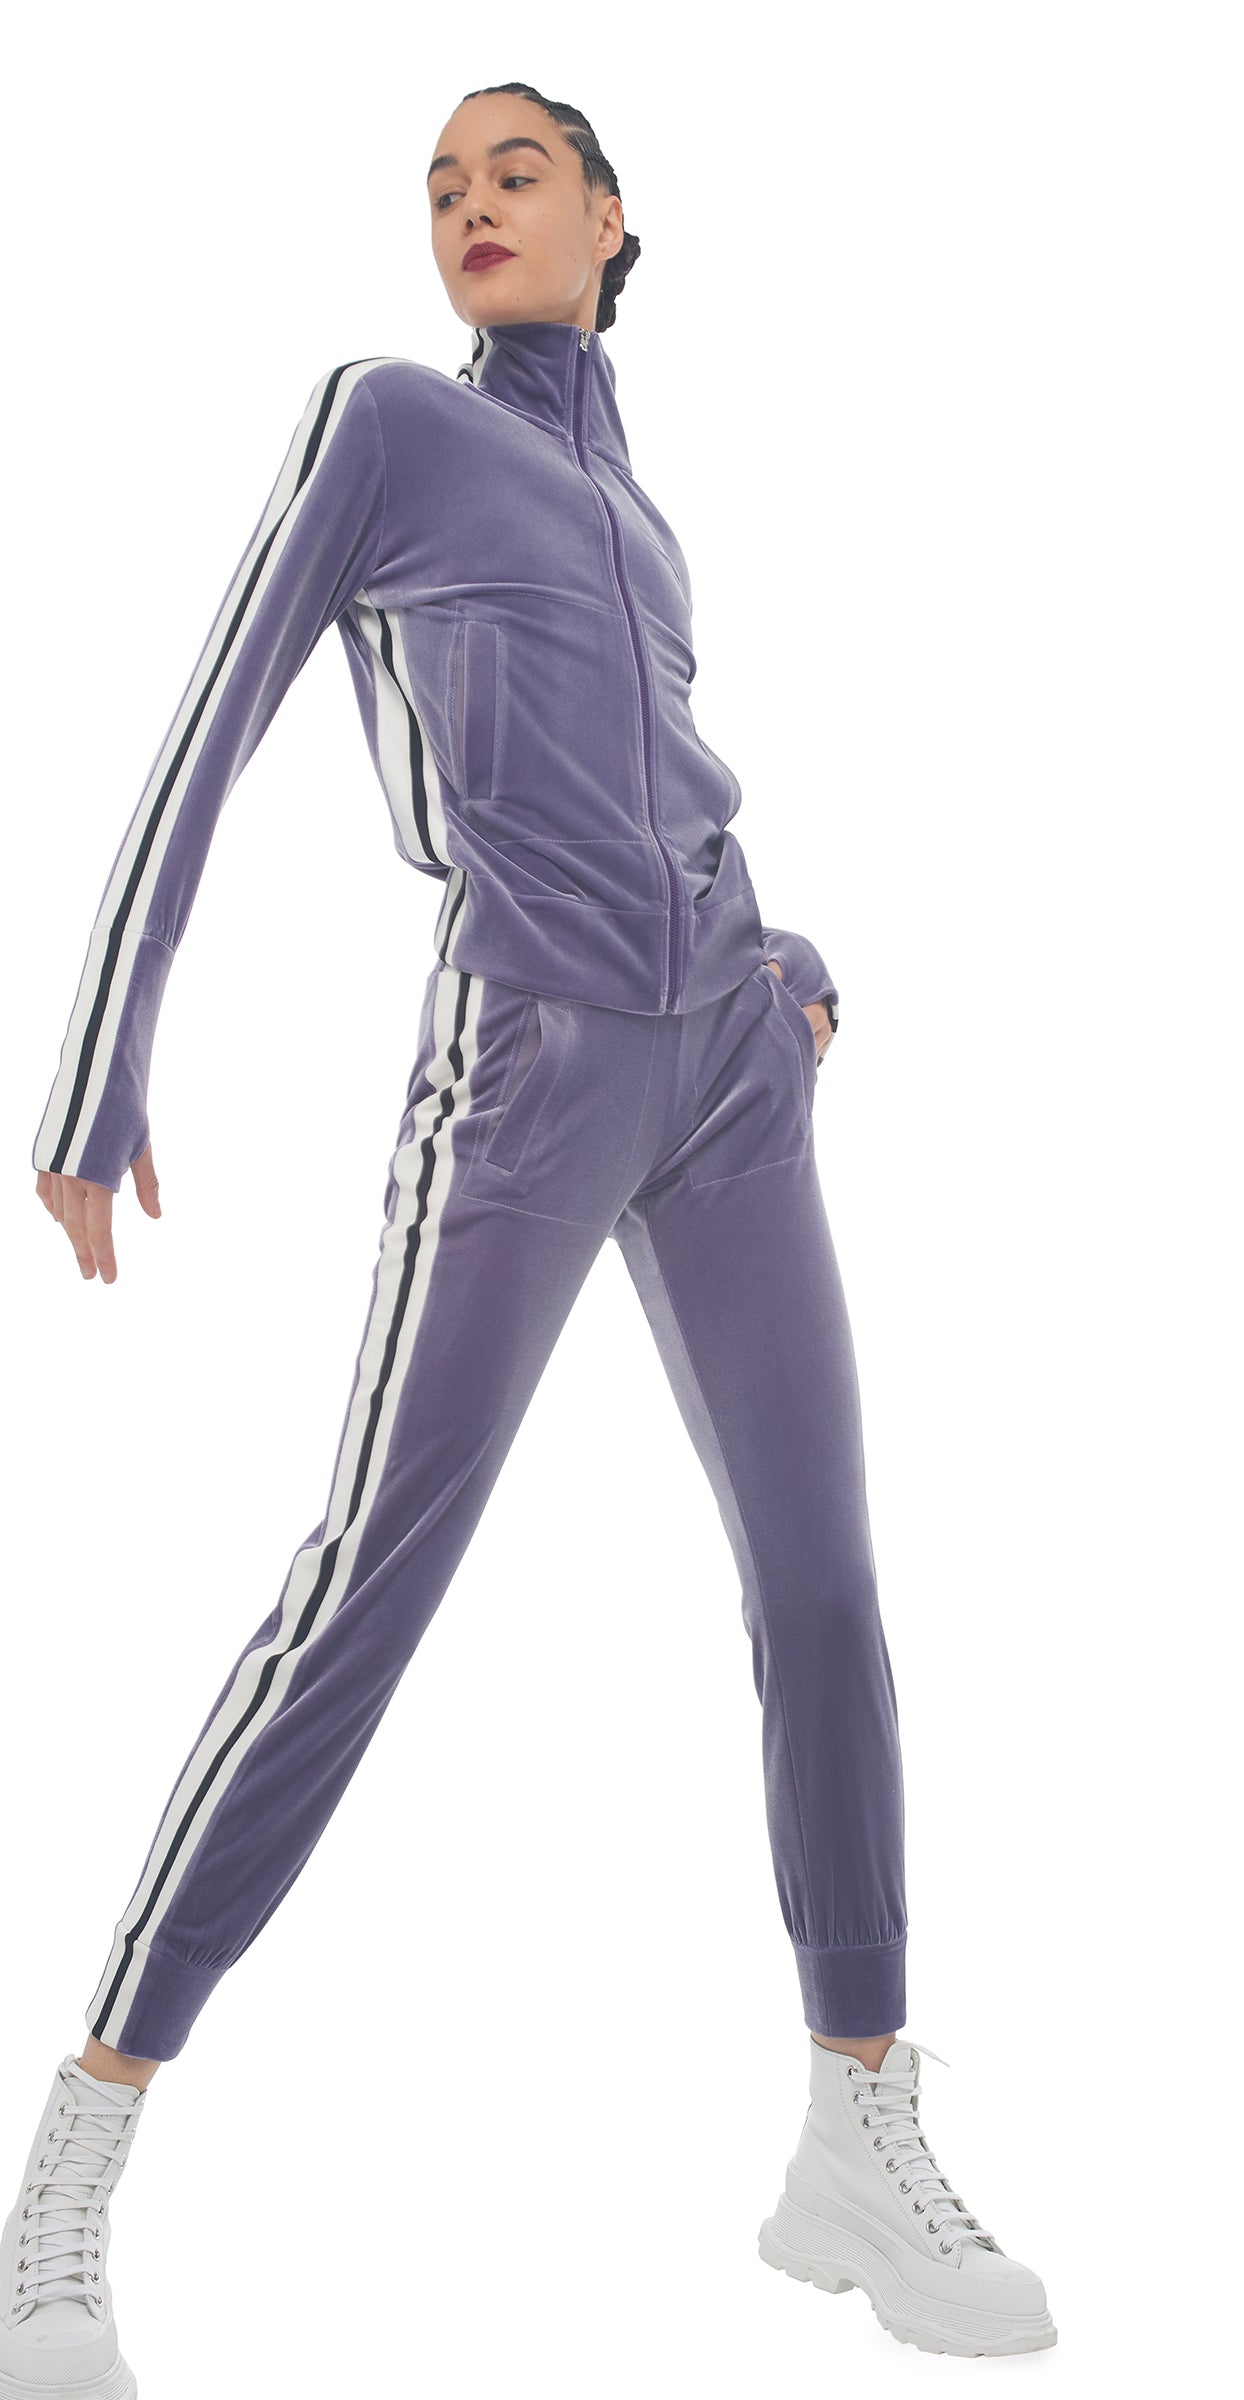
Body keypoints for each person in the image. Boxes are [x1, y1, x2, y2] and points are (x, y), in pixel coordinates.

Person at [3, 81, 1056, 2381]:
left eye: (513, 173)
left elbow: (659, 777)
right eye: (440, 186)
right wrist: (103, 1061)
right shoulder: (390, 423)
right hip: (533, 1071)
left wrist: (779, 961)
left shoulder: (637, 507)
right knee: (364, 1594)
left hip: (731, 1070)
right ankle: (76, 2154)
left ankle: (855, 2127)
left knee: (826, 1588)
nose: (467, 204)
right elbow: (208, 733)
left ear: (608, 217)